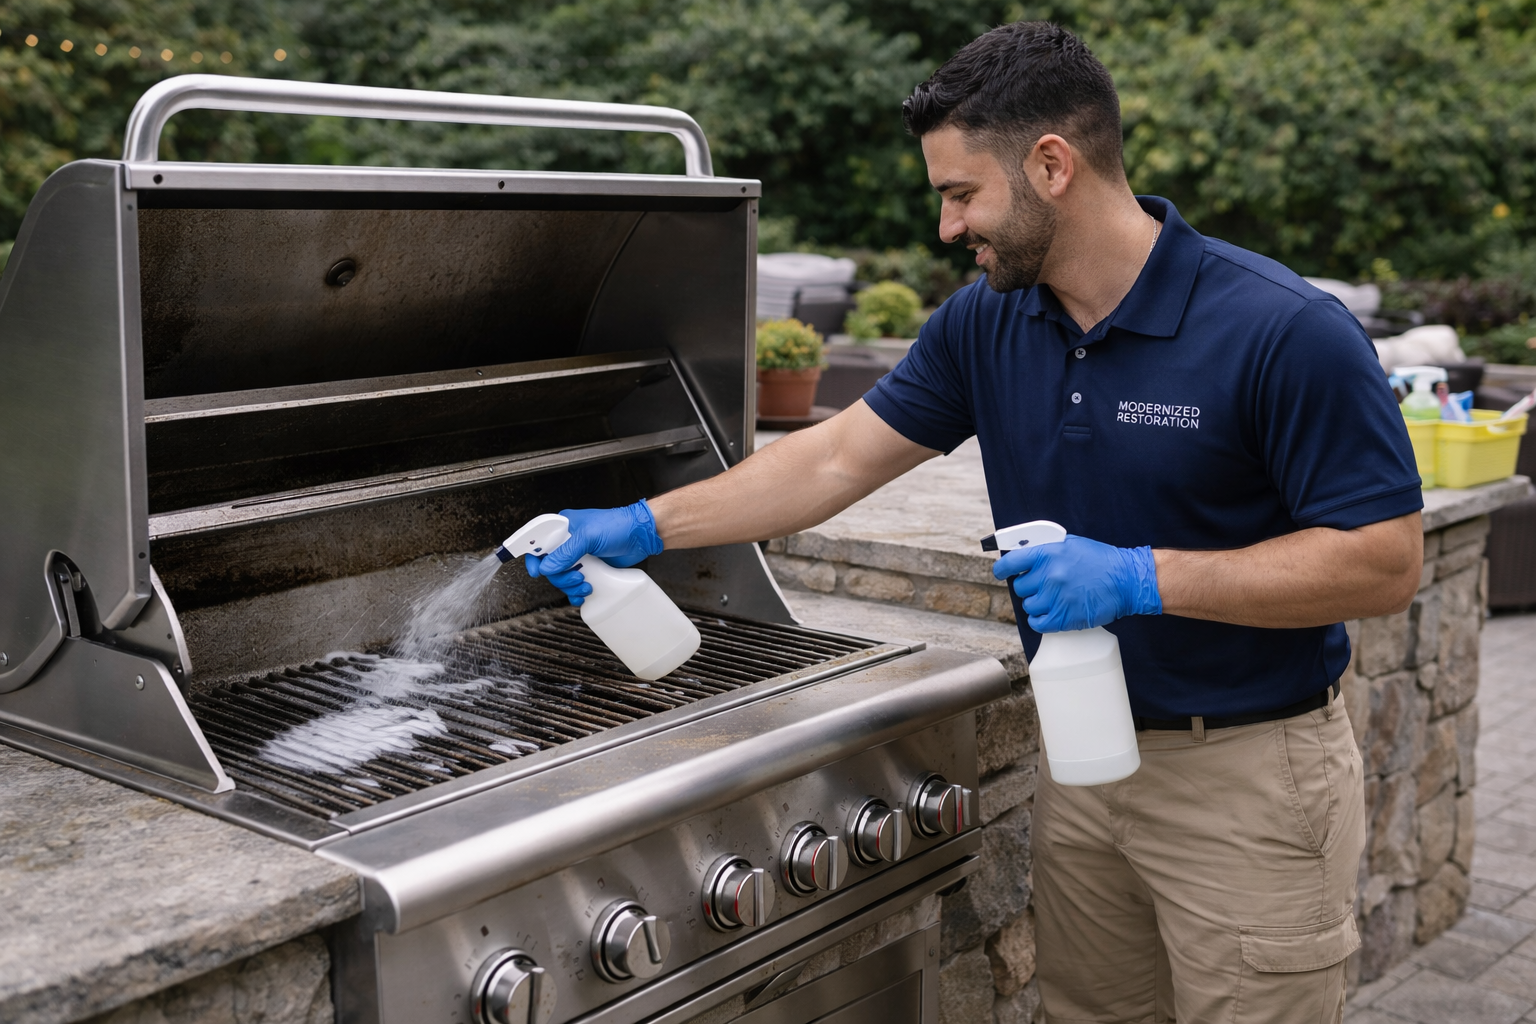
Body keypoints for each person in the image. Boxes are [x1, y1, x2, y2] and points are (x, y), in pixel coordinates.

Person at [525, 21, 1424, 1024]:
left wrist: (1143, 578)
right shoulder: (987, 322)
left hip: (1248, 778)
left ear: (1051, 165)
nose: (949, 227)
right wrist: (643, 524)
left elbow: (1383, 563)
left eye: (961, 194)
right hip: (1084, 764)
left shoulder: (1282, 331)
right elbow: (832, 458)